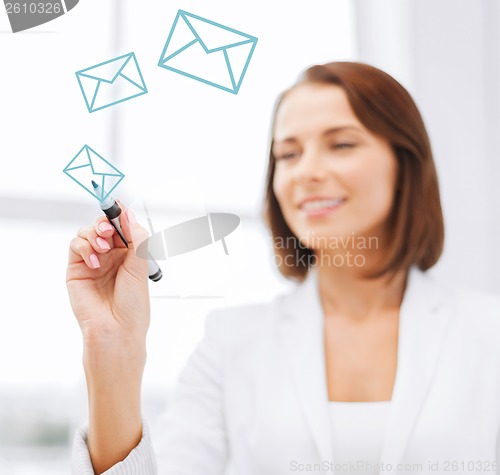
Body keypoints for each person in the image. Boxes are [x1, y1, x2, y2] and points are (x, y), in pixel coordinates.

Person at [68, 62, 500, 475]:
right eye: (288, 154)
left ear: (405, 165)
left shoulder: (488, 332)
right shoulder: (231, 342)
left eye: (342, 144)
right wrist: (113, 348)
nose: (306, 172)